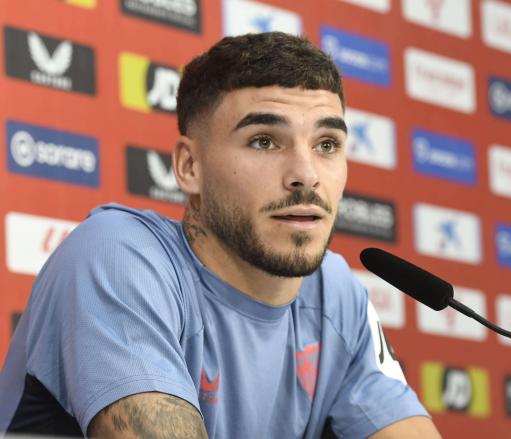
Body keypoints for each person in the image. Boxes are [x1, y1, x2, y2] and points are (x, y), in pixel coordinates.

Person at [0, 32, 442, 438]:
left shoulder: (334, 292)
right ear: (190, 167)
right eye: (265, 141)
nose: (306, 176)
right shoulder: (118, 256)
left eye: (327, 145)